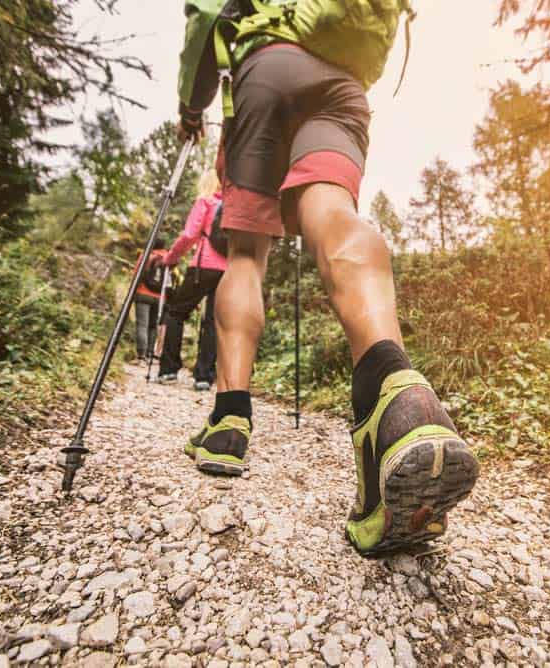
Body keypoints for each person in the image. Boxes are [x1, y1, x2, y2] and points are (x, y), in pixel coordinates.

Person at [176, 1, 480, 557]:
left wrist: (189, 105)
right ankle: (396, 389)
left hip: (266, 73)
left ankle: (229, 418)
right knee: (334, 213)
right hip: (341, 84)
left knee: (246, 255)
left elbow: (204, 18)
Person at [155, 169, 226, 390]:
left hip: (202, 267)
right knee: (214, 321)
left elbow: (189, 235)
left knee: (176, 312)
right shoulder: (234, 206)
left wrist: (170, 258)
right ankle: (204, 376)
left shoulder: (205, 202)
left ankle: (168, 370)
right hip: (229, 270)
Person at [132, 239, 170, 362]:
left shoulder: (146, 255)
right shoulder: (169, 258)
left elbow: (136, 273)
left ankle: (141, 355)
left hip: (143, 293)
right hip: (160, 297)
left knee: (142, 324)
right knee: (153, 326)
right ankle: (149, 353)